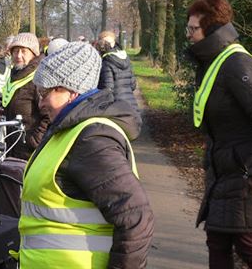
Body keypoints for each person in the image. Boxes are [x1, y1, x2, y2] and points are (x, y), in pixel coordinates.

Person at [19, 41, 154, 268]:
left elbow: (136, 218)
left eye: (45, 92)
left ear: (71, 91)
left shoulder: (91, 140)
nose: (40, 102)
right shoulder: (66, 130)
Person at [186, 0, 252, 268]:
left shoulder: (237, 64)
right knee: (217, 241)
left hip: (246, 174)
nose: (189, 35)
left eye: (193, 29)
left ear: (212, 29)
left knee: (249, 246)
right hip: (225, 171)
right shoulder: (214, 61)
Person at [2, 32, 50, 160]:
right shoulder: (16, 73)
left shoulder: (38, 78)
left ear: (33, 54)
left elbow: (49, 115)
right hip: (13, 143)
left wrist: (35, 141)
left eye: (23, 51)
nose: (18, 55)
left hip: (29, 151)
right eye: (15, 51)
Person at [96, 31, 141, 129]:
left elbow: (107, 89)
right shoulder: (126, 58)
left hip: (116, 107)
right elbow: (133, 85)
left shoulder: (106, 62)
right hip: (131, 106)